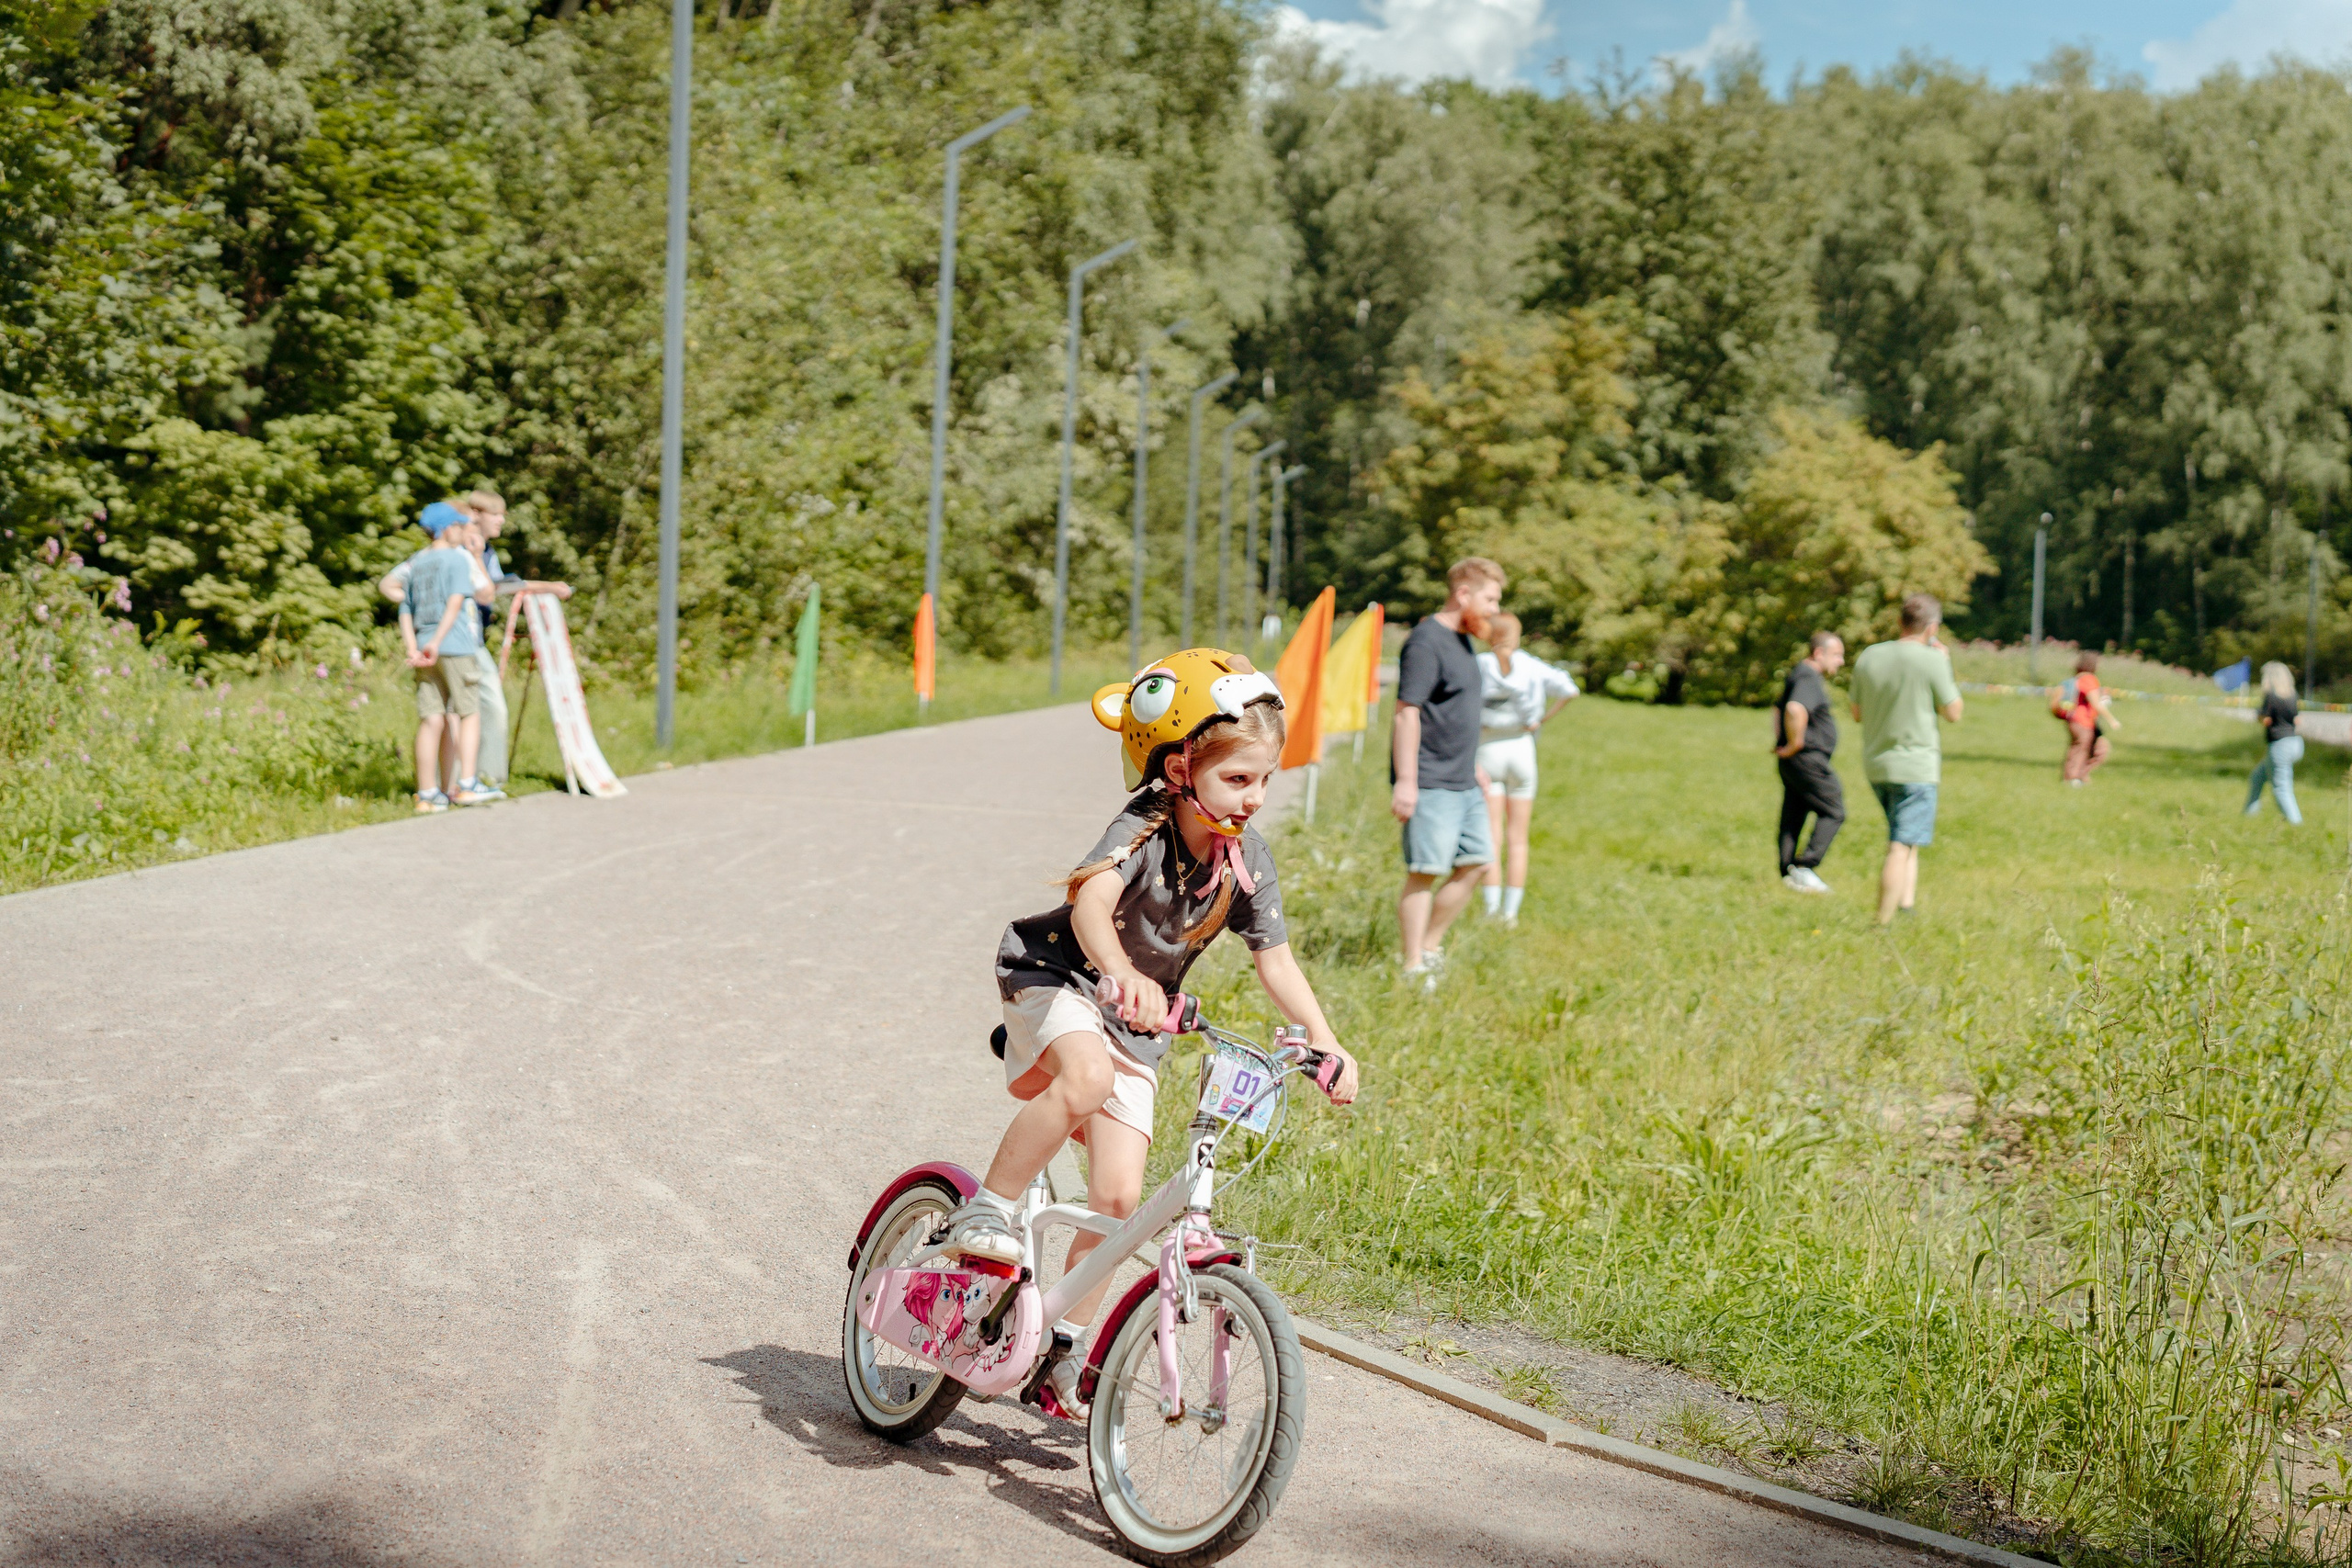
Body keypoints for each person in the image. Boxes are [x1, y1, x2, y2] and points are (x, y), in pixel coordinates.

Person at [949, 648, 1360, 1420]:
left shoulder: (1246, 859)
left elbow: (1276, 960)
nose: (1254, 797)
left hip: (1140, 1021)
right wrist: (1117, 970)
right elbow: (1090, 903)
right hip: (1062, 978)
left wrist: (1327, 1039)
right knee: (1088, 1078)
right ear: (1179, 769)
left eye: (1265, 780)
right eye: (1237, 778)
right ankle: (987, 1209)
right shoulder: (1145, 824)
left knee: (1120, 1197)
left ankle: (1062, 1350)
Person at [1394, 558, 1504, 982]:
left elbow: (1453, 712)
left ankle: (1429, 946)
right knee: (1425, 871)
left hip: (1464, 779)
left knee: (1478, 863)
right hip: (1431, 779)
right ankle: (1412, 965)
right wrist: (1407, 781)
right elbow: (1407, 712)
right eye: (1490, 599)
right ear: (1463, 594)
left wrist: (1473, 765)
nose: (1495, 609)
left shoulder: (1462, 640)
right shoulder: (1426, 642)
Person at [1849, 594, 1962, 925]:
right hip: (1916, 767)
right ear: (1933, 627)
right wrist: (1944, 664)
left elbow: (1856, 713)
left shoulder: (1870, 656)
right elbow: (1953, 712)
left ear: (1900, 622)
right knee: (1899, 845)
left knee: (1908, 837)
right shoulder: (1932, 660)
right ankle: (1882, 921)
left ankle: (1906, 905)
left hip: (1877, 764)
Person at [1474, 611, 1577, 924]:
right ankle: (1510, 913)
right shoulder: (1531, 665)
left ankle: (1490, 909)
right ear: (1517, 636)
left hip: (1487, 750)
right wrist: (1542, 719)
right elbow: (1570, 690)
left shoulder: (1480, 664)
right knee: (1518, 839)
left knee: (1492, 836)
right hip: (1521, 750)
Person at [400, 513, 495, 812]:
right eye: (458, 526)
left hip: (424, 650)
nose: (462, 531)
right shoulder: (456, 559)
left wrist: (414, 648)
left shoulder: (416, 563)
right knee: (469, 712)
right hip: (454, 645)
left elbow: (405, 609)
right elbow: (456, 602)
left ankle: (427, 793)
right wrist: (437, 641)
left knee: (431, 718)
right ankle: (466, 784)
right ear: (446, 529)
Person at [1773, 631, 1845, 894]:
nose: (1841, 661)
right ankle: (1806, 866)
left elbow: (1777, 709)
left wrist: (1781, 742)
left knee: (1794, 813)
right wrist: (1795, 743)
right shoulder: (1808, 677)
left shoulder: (1798, 674)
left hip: (1795, 760)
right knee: (1834, 810)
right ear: (1818, 653)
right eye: (1837, 655)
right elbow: (1794, 708)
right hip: (1808, 758)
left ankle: (1788, 871)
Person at [2245, 660, 2304, 825]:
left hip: (2280, 746)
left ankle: (2296, 824)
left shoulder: (2271, 696)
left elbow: (2266, 720)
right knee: (2257, 777)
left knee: (2281, 788)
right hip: (2295, 743)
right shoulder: (2292, 694)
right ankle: (2248, 815)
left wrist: (2259, 716)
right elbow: (2297, 720)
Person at [2054, 651, 2116, 785]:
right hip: (2083, 721)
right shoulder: (2089, 679)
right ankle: (2073, 778)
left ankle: (2078, 776)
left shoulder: (2077, 679)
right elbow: (2095, 703)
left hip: (2075, 720)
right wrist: (2112, 720)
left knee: (2093, 748)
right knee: (2083, 749)